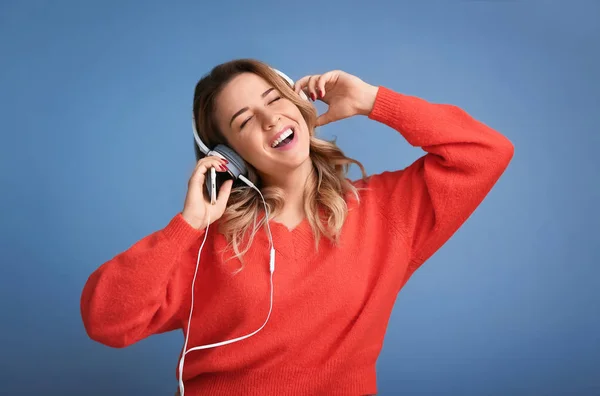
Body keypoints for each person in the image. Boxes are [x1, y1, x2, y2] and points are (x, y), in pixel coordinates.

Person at [80, 58, 514, 396]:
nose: (270, 120)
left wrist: (372, 100)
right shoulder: (204, 242)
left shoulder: (386, 213)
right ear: (229, 155)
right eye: (245, 121)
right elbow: (106, 320)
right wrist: (189, 224)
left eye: (274, 99)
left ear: (299, 104)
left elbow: (485, 153)